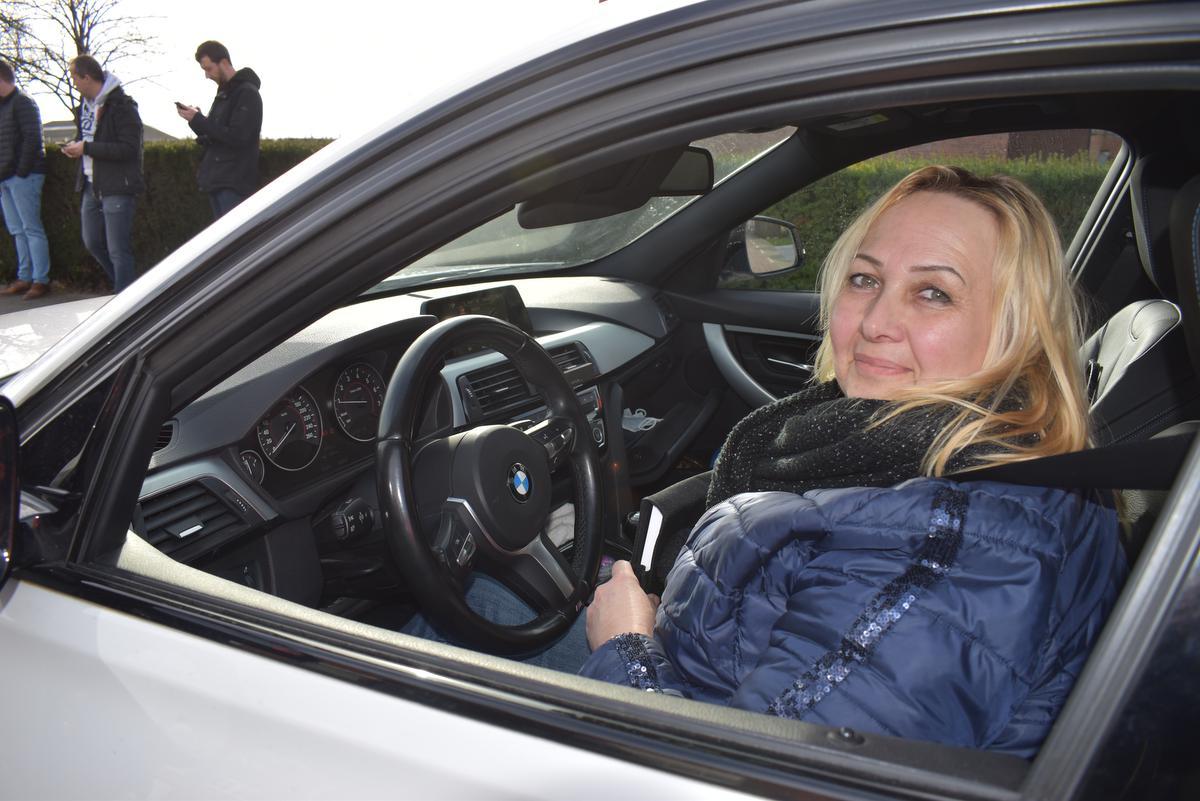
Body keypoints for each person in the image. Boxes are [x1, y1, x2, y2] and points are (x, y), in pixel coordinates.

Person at [577, 165, 1127, 758]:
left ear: (1016, 332)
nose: (874, 323)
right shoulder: (916, 460)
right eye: (865, 280)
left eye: (933, 293)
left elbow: (753, 778)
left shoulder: (958, 545)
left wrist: (624, 645)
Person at [62, 54, 144, 293]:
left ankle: (125, 299)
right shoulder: (84, 108)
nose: (74, 83)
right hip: (91, 183)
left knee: (119, 249)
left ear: (87, 77)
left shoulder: (123, 106)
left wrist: (86, 148)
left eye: (75, 78)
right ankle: (127, 288)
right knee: (93, 242)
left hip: (117, 185)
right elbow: (88, 138)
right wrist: (75, 146)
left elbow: (129, 149)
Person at [176, 40, 262, 219]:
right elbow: (218, 134)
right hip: (219, 181)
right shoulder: (225, 94)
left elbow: (238, 137)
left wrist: (200, 120)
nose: (207, 75)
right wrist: (196, 121)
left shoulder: (246, 93)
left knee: (235, 242)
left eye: (208, 69)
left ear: (223, 63)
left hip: (233, 183)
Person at [0, 59, 51, 300]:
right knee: (17, 230)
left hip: (24, 176)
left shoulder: (24, 102)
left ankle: (40, 280)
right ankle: (24, 277)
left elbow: (33, 138)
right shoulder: (3, 106)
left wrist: (20, 171)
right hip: (6, 178)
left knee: (31, 229)